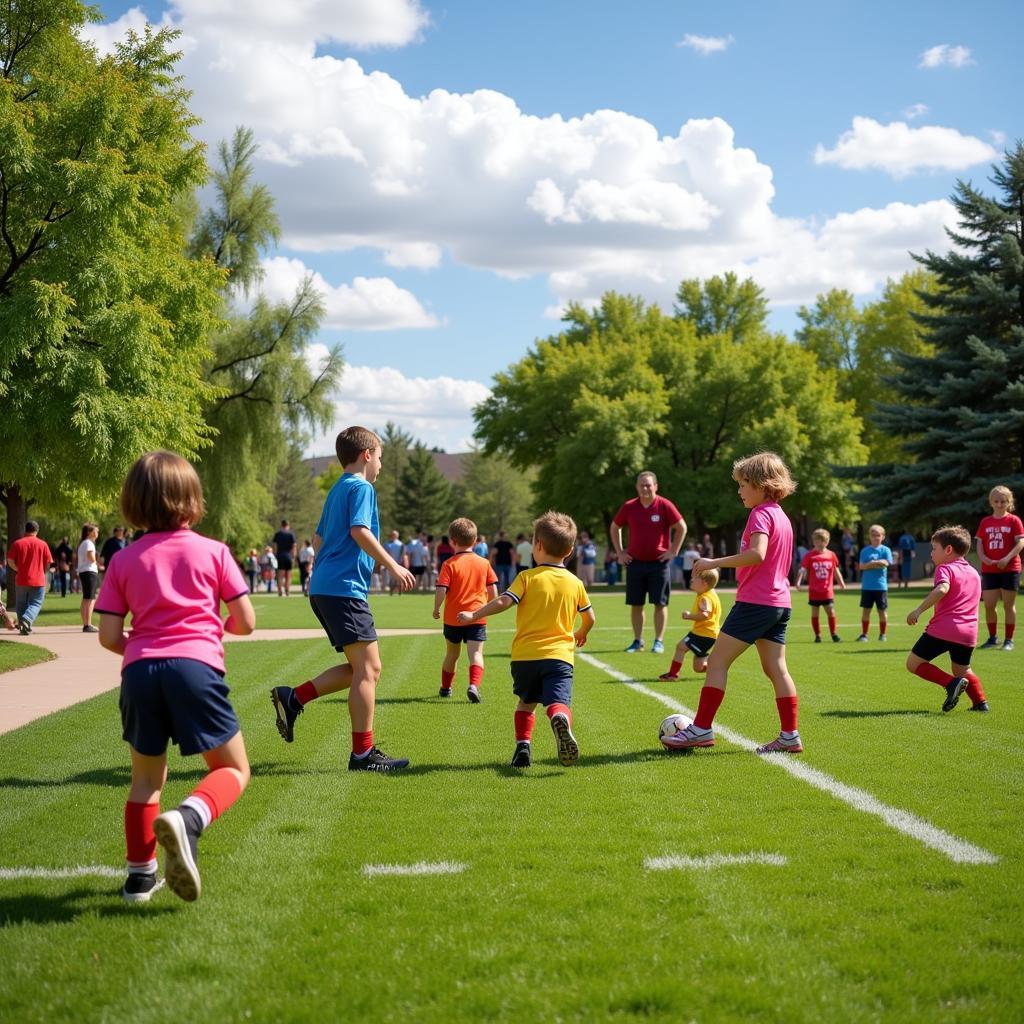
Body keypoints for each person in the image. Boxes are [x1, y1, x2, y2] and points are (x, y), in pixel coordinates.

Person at [96, 450, 256, 903]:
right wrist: (206, 634)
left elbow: (109, 634)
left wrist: (145, 649)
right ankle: (189, 818)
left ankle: (139, 879)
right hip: (195, 669)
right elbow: (245, 622)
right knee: (233, 768)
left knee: (146, 780)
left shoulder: (124, 560)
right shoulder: (213, 551)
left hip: (139, 672)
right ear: (192, 497)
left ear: (134, 502)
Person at [270, 426, 416, 771]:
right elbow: (359, 531)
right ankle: (362, 755)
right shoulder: (362, 487)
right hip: (342, 589)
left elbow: (318, 540)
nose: (380, 464)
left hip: (325, 587)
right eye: (379, 456)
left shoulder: (337, 489)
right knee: (369, 669)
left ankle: (294, 697)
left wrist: (324, 570)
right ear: (367, 455)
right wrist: (392, 565)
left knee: (360, 668)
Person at [663, 452, 803, 755]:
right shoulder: (782, 516)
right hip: (780, 603)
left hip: (756, 602)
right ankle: (790, 735)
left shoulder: (761, 514)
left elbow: (758, 554)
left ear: (761, 485)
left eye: (743, 484)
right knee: (776, 669)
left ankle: (700, 729)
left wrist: (715, 561)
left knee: (716, 662)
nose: (739, 491)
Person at [458, 511, 594, 768]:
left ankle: (523, 747)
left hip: (525, 658)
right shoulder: (575, 583)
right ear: (570, 550)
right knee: (558, 703)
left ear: (538, 546)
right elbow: (590, 617)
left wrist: (474, 613)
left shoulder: (527, 578)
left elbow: (503, 601)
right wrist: (581, 633)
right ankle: (559, 719)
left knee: (526, 703)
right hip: (559, 658)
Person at [906, 526, 988, 713]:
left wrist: (918, 611)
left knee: (913, 664)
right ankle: (981, 703)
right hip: (969, 632)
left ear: (948, 550)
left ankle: (951, 684)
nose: (932, 553)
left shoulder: (945, 568)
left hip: (944, 629)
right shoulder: (974, 573)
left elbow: (942, 589)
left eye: (934, 548)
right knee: (963, 669)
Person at [610, 470, 686, 655]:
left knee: (660, 603)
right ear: (637, 487)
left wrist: (673, 551)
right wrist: (620, 553)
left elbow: (681, 527)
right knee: (636, 604)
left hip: (658, 564)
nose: (645, 488)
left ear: (655, 486)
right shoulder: (629, 507)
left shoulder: (664, 505)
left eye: (648, 485)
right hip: (635, 563)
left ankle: (658, 641)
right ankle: (637, 641)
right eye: (642, 485)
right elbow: (615, 527)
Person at [433, 517, 498, 702]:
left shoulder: (449, 564)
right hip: (477, 617)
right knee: (476, 654)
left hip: (453, 618)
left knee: (452, 654)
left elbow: (441, 589)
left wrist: (436, 608)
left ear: (453, 541)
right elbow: (493, 590)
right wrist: (489, 606)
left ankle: (446, 688)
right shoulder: (484, 563)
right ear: (475, 541)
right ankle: (474, 685)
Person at [975, 485, 1024, 651]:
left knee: (1008, 605)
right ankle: (992, 638)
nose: (1000, 504)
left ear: (1009, 502)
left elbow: (1021, 542)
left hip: (1010, 568)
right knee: (989, 605)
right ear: (991, 502)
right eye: (996, 501)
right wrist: (984, 558)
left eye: (1003, 501)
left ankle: (1008, 640)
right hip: (990, 570)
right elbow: (980, 544)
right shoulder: (985, 522)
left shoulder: (1014, 520)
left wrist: (1007, 558)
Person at [659, 567, 721, 679]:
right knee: (698, 667)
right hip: (707, 634)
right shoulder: (711, 593)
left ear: (704, 583)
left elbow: (705, 614)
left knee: (680, 647)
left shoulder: (705, 598)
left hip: (702, 635)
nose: (691, 580)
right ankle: (716, 669)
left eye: (695, 578)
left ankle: (673, 674)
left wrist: (688, 616)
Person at [795, 528, 846, 643]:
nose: (819, 543)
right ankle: (817, 635)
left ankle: (834, 634)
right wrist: (798, 582)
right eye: (816, 540)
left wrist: (841, 582)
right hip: (814, 590)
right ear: (814, 541)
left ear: (826, 541)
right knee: (815, 612)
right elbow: (802, 570)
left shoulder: (831, 555)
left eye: (822, 540)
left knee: (831, 611)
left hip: (827, 590)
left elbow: (835, 570)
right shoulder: (809, 555)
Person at [7, 521, 53, 635]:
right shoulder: (43, 544)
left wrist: (18, 569)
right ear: (37, 531)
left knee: (21, 604)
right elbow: (48, 562)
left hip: (21, 579)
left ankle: (24, 627)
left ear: (25, 530)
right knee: (36, 603)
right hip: (38, 579)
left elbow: (10, 561)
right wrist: (42, 571)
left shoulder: (17, 543)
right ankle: (27, 619)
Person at [857, 525, 893, 642]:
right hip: (867, 587)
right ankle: (864, 634)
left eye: (878, 535)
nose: (875, 537)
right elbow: (861, 566)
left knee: (882, 611)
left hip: (880, 587)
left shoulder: (886, 550)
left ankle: (882, 634)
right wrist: (875, 564)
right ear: (869, 537)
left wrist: (872, 563)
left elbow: (886, 563)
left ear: (883, 536)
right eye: (873, 535)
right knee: (866, 611)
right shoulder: (865, 551)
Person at [77, 523, 101, 633]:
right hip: (89, 571)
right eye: (95, 531)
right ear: (89, 533)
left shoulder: (84, 543)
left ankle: (86, 624)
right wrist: (97, 563)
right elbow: (90, 556)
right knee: (90, 599)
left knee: (86, 598)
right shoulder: (89, 543)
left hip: (84, 571)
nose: (97, 533)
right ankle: (88, 624)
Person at [273, 519, 296, 597]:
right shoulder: (291, 534)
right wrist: (293, 556)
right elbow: (294, 546)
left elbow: (275, 546)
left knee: (280, 575)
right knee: (288, 575)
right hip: (288, 556)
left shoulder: (278, 534)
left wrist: (276, 555)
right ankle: (287, 591)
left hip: (280, 556)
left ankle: (280, 591)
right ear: (288, 525)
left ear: (281, 525)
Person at [382, 530, 407, 595]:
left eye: (395, 535)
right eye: (393, 534)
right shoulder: (387, 544)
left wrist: (401, 562)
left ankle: (399, 592)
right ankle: (391, 592)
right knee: (391, 579)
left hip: (398, 564)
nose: (393, 536)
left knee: (398, 579)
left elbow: (403, 554)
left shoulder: (401, 544)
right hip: (390, 564)